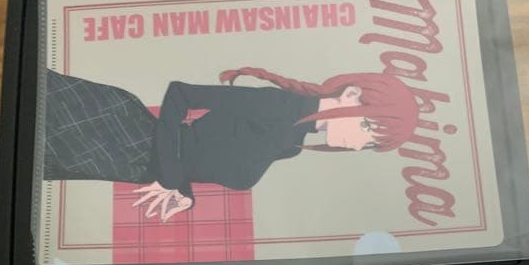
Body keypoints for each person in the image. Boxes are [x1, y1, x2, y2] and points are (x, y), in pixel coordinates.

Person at [42, 65, 420, 222]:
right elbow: (180, 94)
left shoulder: (291, 142)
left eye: (369, 144)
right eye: (366, 125)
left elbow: (201, 149)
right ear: (350, 94)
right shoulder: (279, 107)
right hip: (115, 128)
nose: (357, 144)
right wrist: (171, 177)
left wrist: (182, 189)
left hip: (124, 160)